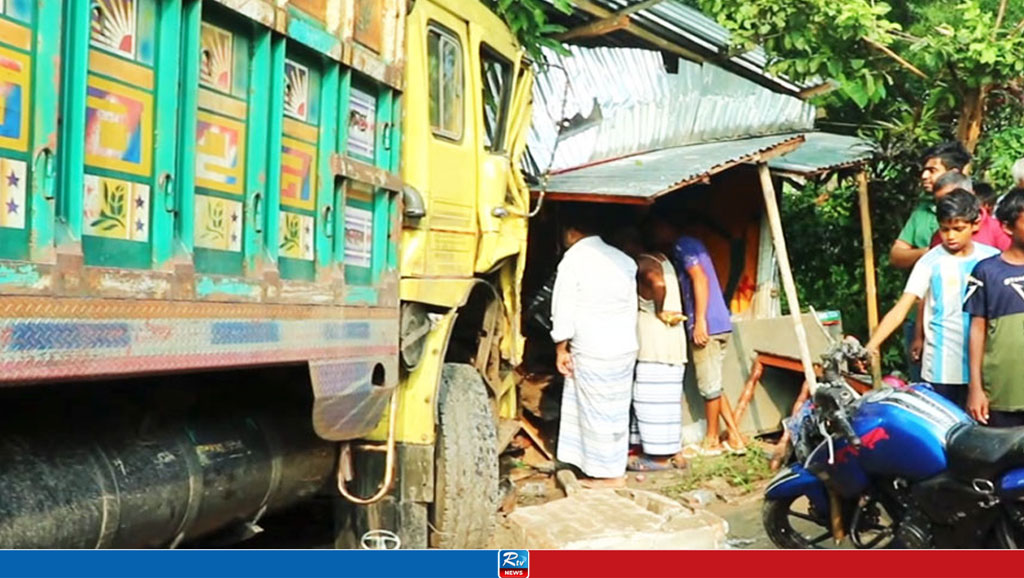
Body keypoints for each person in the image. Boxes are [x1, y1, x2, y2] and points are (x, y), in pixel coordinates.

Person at [865, 191, 998, 408]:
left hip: (986, 367)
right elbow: (901, 309)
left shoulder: (991, 259)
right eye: (945, 229)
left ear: (976, 225)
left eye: (958, 229)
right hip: (941, 368)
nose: (950, 236)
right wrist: (871, 346)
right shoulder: (930, 261)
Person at [550, 212, 639, 487]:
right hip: (623, 348)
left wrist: (561, 349)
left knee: (595, 412)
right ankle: (607, 468)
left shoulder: (574, 261)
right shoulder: (624, 260)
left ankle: (609, 476)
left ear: (571, 231)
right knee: (615, 410)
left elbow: (562, 309)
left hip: (593, 348)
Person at [653, 218, 745, 456]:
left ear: (667, 227)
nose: (655, 234)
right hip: (720, 322)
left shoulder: (682, 246)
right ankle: (735, 437)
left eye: (656, 228)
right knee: (713, 383)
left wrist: (699, 321)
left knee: (709, 387)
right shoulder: (694, 244)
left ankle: (712, 439)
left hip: (708, 325)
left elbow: (700, 279)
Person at [889, 141, 971, 382]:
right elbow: (896, 255)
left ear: (955, 173)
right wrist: (931, 251)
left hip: (966, 323)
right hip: (921, 321)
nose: (924, 175)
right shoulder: (922, 212)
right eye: (923, 169)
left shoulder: (983, 216)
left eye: (932, 169)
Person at [611, 228, 688, 472]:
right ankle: (673, 450)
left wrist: (658, 310)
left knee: (649, 402)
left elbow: (657, 282)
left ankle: (658, 459)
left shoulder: (644, 263)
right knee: (666, 403)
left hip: (655, 345)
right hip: (671, 343)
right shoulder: (662, 258)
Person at [965, 188, 1024, 427]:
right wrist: (976, 388)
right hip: (1002, 393)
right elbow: (977, 330)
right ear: (1008, 227)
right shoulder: (986, 272)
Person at [927, 174, 1009, 251]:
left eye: (958, 229)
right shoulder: (940, 235)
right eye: (940, 201)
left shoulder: (997, 229)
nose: (951, 236)